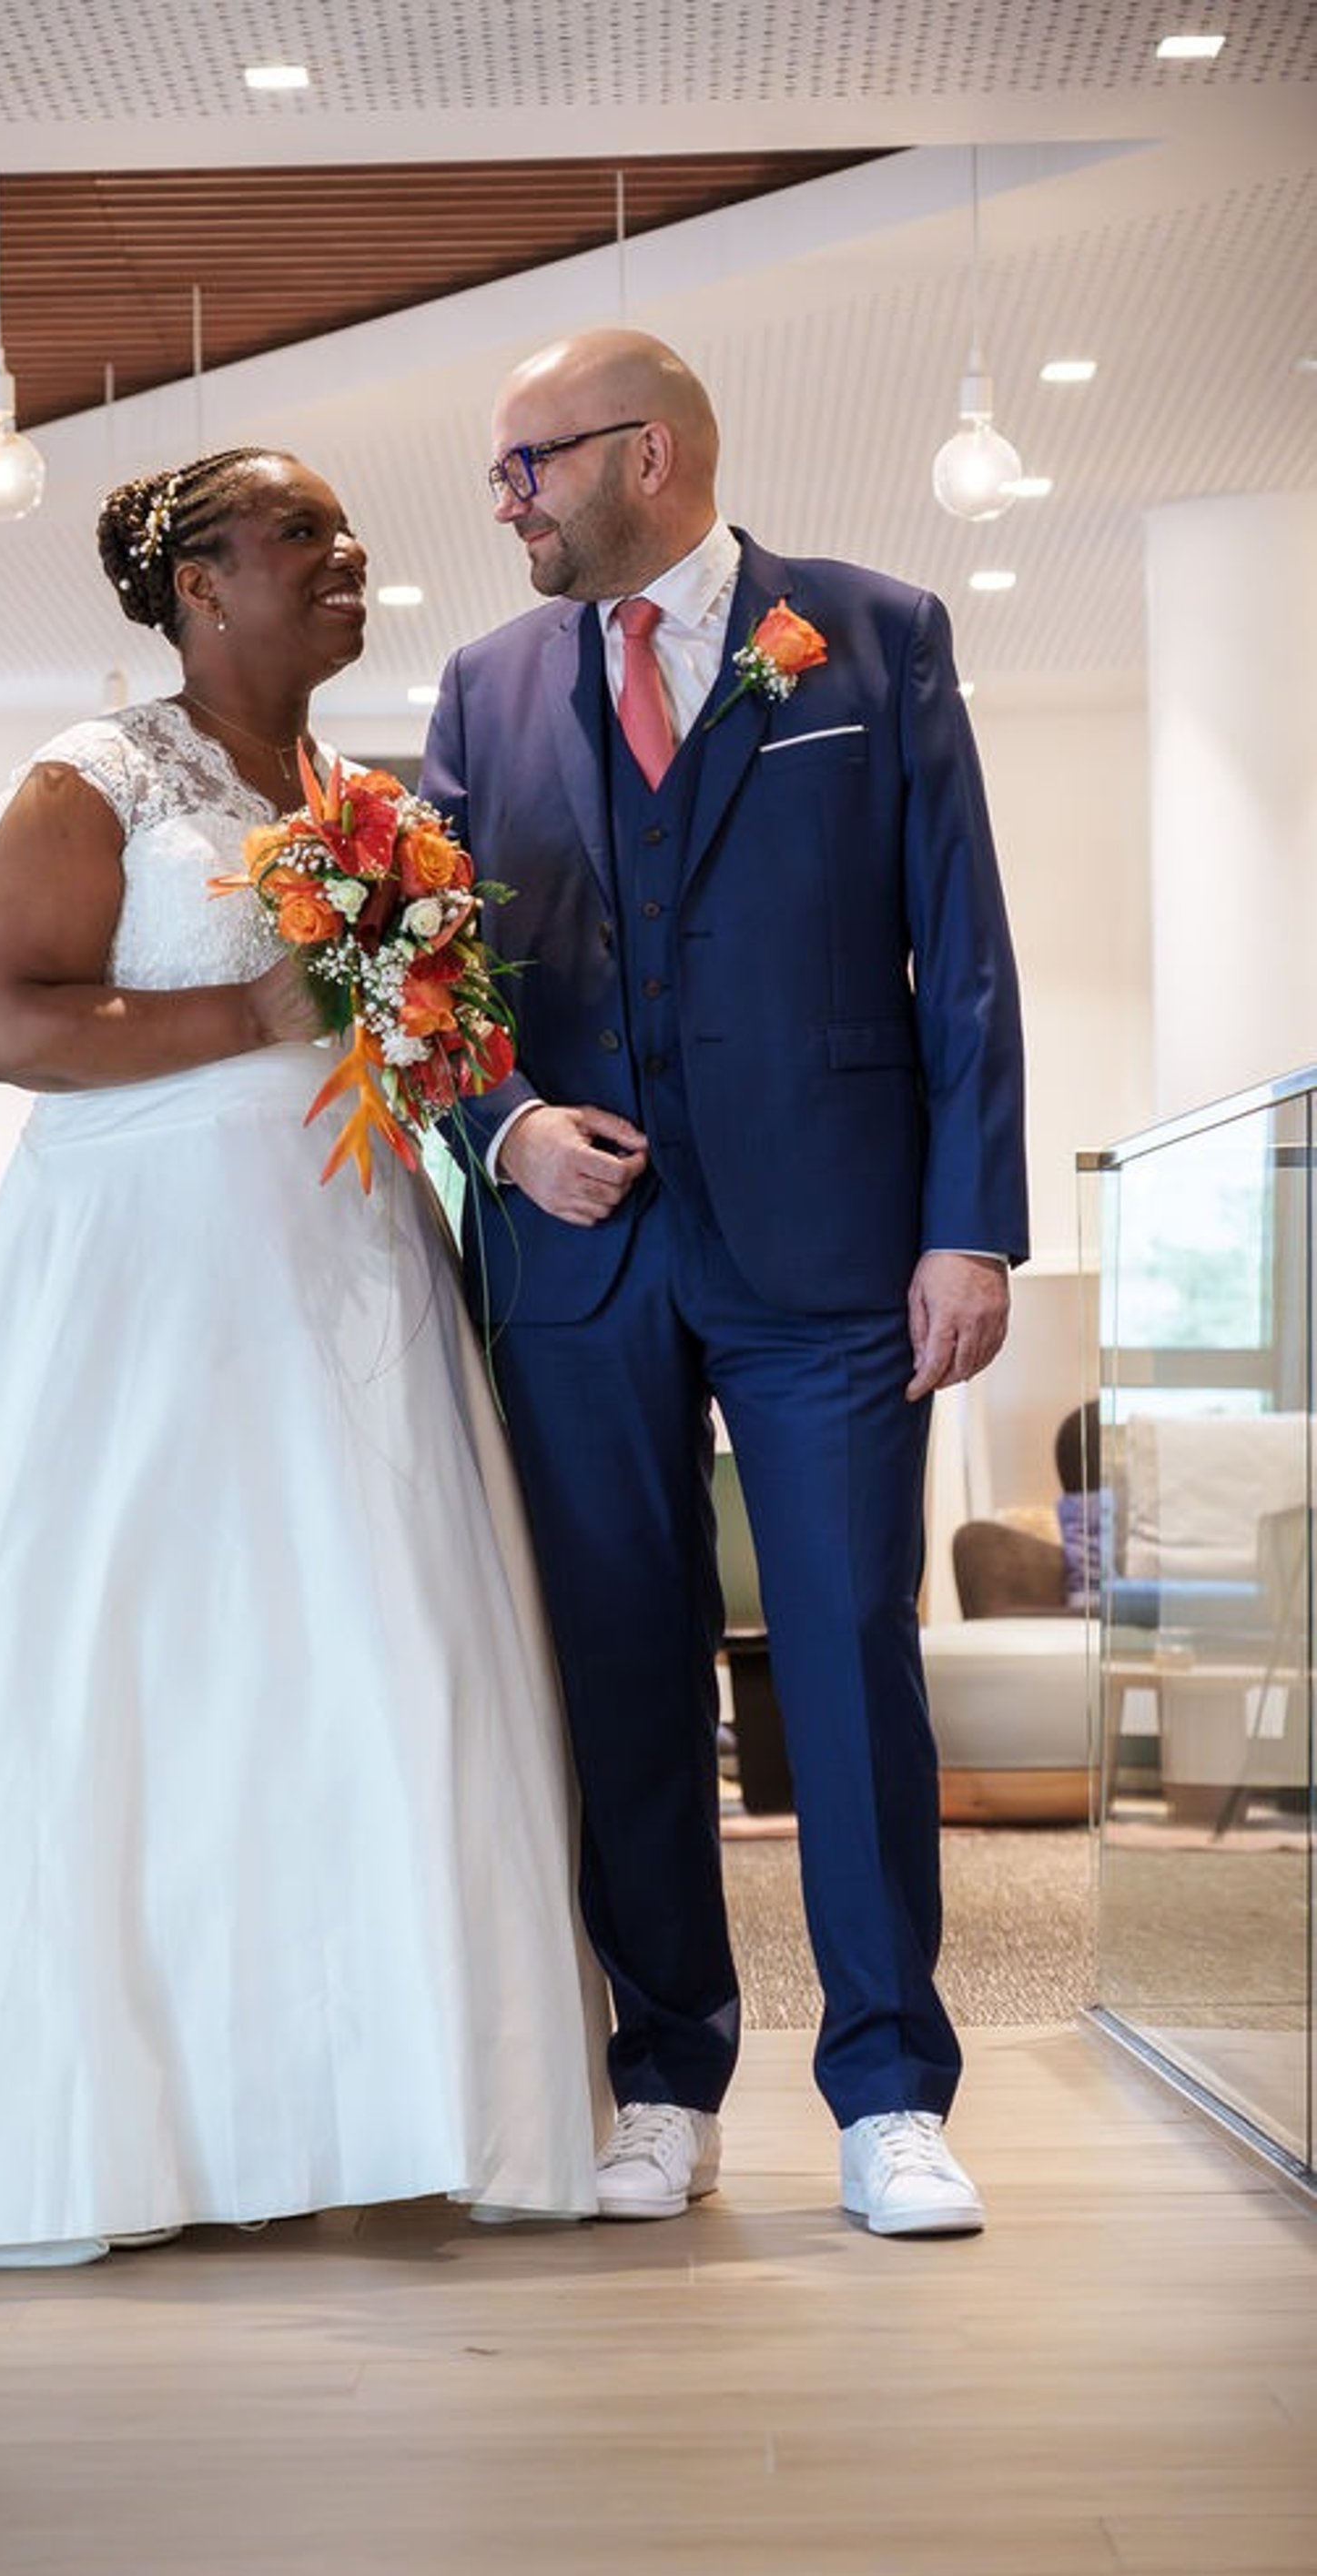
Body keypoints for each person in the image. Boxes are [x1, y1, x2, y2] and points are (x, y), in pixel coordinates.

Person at [0, 447, 603, 2271]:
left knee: (363, 1657)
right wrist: (247, 1008)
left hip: (349, 1270)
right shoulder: (90, 779)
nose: (347, 551)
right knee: (131, 1659)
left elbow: (414, 1032)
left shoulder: (361, 796)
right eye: (301, 531)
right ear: (201, 583)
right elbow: (6, 1023)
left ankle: (376, 2102)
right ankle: (103, 2121)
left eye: (346, 528)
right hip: (139, 1278)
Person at [421, 329, 1028, 2238]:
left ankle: (889, 2093)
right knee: (619, 1662)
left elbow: (969, 948)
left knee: (848, 1645)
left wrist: (970, 1222)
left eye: (529, 463)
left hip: (839, 1243)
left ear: (645, 450)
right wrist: (504, 1125)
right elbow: (428, 972)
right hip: (580, 1255)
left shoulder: (871, 633)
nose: (503, 498)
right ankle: (666, 2073)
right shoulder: (485, 684)